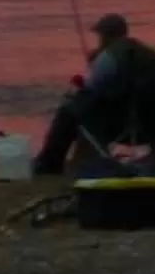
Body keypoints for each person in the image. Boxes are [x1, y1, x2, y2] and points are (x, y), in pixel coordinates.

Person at [32, 12, 143, 175]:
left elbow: (91, 87)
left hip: (114, 121)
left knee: (68, 112)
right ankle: (76, 160)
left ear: (106, 35)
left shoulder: (108, 57)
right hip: (139, 120)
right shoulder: (139, 52)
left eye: (100, 35)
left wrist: (93, 65)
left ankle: (49, 164)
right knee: (78, 108)